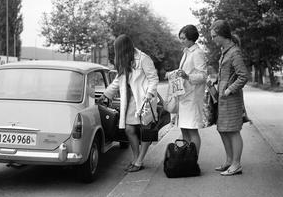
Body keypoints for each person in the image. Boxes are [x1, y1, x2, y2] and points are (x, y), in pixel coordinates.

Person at [100, 34, 159, 172]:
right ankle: (136, 157)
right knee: (129, 129)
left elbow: (153, 78)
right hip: (131, 100)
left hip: (145, 100)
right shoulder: (123, 61)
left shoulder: (143, 58)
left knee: (146, 131)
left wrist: (149, 95)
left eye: (117, 49)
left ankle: (139, 161)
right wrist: (105, 95)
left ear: (123, 48)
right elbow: (117, 82)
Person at [210, 19, 249, 176]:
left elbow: (243, 76)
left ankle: (236, 164)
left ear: (222, 35)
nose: (212, 39)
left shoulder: (234, 52)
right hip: (223, 99)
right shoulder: (225, 51)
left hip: (231, 99)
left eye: (214, 36)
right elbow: (228, 74)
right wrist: (216, 82)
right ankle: (228, 161)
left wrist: (229, 90)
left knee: (233, 131)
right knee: (222, 130)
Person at [166, 24, 207, 156]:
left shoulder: (197, 53)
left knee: (192, 130)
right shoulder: (186, 52)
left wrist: (187, 76)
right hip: (183, 96)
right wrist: (173, 74)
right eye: (180, 38)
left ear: (191, 38)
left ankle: (193, 160)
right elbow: (183, 71)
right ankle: (185, 158)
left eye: (184, 38)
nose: (181, 41)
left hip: (192, 97)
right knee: (184, 129)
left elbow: (203, 76)